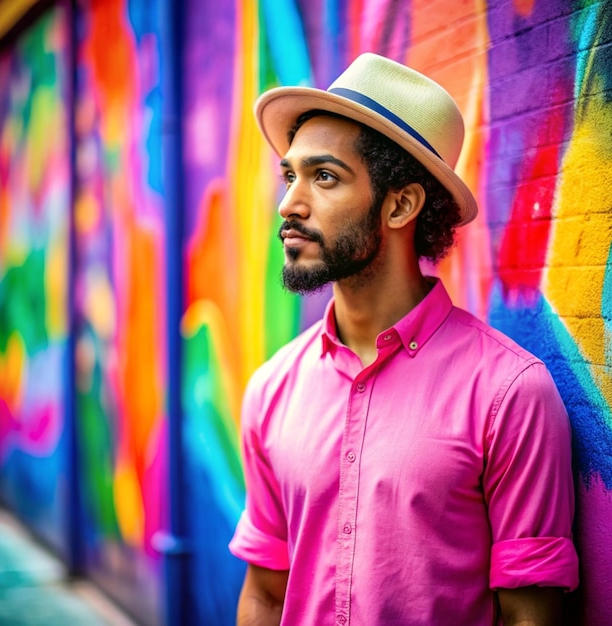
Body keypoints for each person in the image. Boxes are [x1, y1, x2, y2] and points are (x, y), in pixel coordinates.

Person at [229, 53, 579, 626]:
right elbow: (267, 595)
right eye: (290, 175)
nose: (288, 204)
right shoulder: (271, 390)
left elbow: (529, 614)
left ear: (401, 204)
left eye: (324, 177)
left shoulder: (509, 394)